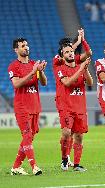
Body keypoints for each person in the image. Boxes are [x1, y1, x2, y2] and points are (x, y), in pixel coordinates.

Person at [53, 28, 92, 170]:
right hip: (66, 106)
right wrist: (81, 68)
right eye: (67, 51)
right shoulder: (59, 66)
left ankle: (76, 164)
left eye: (71, 51)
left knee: (79, 136)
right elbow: (67, 83)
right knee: (66, 132)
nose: (70, 53)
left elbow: (91, 83)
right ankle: (64, 158)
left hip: (80, 107)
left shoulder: (78, 65)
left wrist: (85, 69)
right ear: (62, 54)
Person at [8, 38, 47, 175]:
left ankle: (16, 167)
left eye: (27, 45)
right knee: (27, 134)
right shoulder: (13, 66)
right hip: (22, 106)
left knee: (29, 137)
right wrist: (32, 72)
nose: (26, 47)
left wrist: (40, 71)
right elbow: (16, 84)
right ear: (16, 50)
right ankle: (34, 166)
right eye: (22, 46)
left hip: (35, 105)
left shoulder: (33, 64)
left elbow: (44, 83)